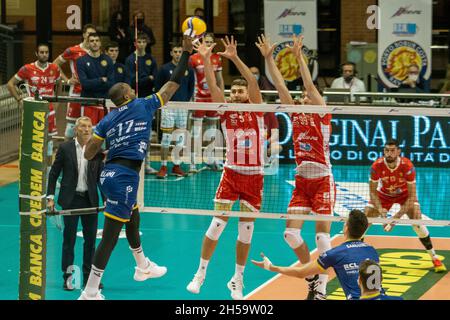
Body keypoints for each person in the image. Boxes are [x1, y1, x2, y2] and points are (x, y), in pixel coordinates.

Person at [78, 35, 194, 300]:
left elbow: (89, 153)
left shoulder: (107, 120)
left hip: (110, 174)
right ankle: (90, 291)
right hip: (123, 176)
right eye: (131, 88)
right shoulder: (142, 105)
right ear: (128, 94)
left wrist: (102, 140)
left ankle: (143, 266)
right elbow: (172, 84)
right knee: (109, 236)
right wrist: (186, 54)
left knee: (133, 217)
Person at [256, 34, 335, 300]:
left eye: (307, 97)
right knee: (290, 233)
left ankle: (321, 290)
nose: (303, 98)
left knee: (322, 238)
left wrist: (299, 56)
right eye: (301, 97)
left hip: (323, 179)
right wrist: (269, 58)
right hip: (302, 181)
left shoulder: (322, 115)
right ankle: (312, 275)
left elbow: (310, 86)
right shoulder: (297, 114)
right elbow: (281, 86)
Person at [186, 36, 264, 300]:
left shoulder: (256, 109)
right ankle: (200, 273)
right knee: (216, 225)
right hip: (231, 174)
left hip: (254, 178)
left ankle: (237, 280)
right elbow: (211, 86)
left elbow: (252, 82)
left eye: (239, 92)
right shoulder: (226, 111)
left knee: (245, 232)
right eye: (233, 92)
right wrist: (207, 59)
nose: (236, 94)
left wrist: (234, 58)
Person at [252, 209, 379, 300]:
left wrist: (271, 267)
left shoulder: (335, 253)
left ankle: (320, 291)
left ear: (345, 228)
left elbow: (301, 273)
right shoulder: (372, 251)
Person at [364, 139, 446, 273]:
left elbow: (412, 196)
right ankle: (357, 260)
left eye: (392, 150)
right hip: (384, 195)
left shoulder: (407, 166)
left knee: (417, 222)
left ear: (398, 151)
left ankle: (434, 257)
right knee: (364, 219)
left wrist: (394, 219)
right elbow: (372, 192)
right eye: (386, 150)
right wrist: (380, 210)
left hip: (405, 195)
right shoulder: (376, 166)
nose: (389, 154)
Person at [46, 116, 105, 290]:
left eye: (89, 127)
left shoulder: (97, 150)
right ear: (76, 129)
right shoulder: (65, 148)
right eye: (83, 127)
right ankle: (68, 277)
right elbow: (54, 173)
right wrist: (50, 197)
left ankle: (89, 279)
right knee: (69, 240)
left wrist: (107, 199)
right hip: (70, 200)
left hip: (90, 200)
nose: (87, 130)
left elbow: (101, 178)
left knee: (90, 242)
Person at [154, 43, 195, 179]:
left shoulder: (189, 69)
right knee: (166, 139)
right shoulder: (164, 69)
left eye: (180, 51)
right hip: (168, 107)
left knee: (180, 139)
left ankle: (176, 165)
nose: (178, 54)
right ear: (171, 53)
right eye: (175, 51)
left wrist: (184, 102)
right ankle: (163, 166)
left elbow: (190, 88)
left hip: (182, 107)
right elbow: (159, 87)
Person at [7, 43, 62, 139]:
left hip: (49, 109)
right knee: (34, 139)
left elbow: (59, 83)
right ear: (36, 53)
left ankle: (48, 154)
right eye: (41, 52)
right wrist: (19, 100)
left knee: (49, 139)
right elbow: (10, 84)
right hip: (33, 109)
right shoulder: (27, 68)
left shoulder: (55, 68)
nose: (44, 54)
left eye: (46, 52)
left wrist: (57, 100)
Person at [188, 33, 225, 173]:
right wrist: (191, 98)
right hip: (198, 99)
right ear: (202, 43)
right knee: (195, 133)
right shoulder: (193, 58)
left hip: (212, 99)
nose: (208, 44)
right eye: (206, 42)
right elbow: (191, 80)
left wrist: (221, 97)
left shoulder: (217, 58)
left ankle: (211, 159)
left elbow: (220, 80)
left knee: (212, 131)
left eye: (210, 42)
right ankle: (192, 162)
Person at [54, 24, 97, 138]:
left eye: (93, 35)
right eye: (88, 34)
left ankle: (87, 155)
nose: (90, 37)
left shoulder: (97, 52)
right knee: (70, 129)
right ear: (83, 35)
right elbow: (54, 65)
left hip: (91, 93)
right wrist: (67, 80)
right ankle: (66, 154)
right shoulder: (72, 50)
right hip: (76, 93)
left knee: (91, 128)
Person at [77, 33, 114, 127]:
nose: (95, 43)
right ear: (88, 43)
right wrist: (101, 80)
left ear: (100, 43)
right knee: (87, 132)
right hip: (88, 102)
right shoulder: (81, 61)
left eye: (97, 40)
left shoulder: (108, 60)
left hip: (104, 102)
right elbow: (84, 84)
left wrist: (92, 83)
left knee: (103, 134)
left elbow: (111, 83)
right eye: (92, 41)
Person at [125, 32, 158, 98]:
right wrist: (148, 78)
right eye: (139, 42)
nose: (142, 44)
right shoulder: (130, 59)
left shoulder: (151, 58)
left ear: (146, 43)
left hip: (149, 92)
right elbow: (132, 81)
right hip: (136, 92)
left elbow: (155, 77)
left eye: (144, 42)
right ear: (135, 44)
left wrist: (149, 79)